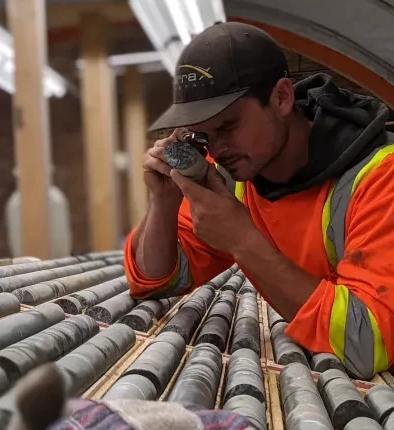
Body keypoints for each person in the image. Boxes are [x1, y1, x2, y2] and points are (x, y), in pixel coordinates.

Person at [124, 21, 394, 380]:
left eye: (228, 126)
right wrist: (163, 202)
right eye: (204, 134)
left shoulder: (378, 178)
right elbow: (155, 280)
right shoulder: (237, 170)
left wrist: (240, 238)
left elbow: (366, 345)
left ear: (281, 97)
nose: (217, 149)